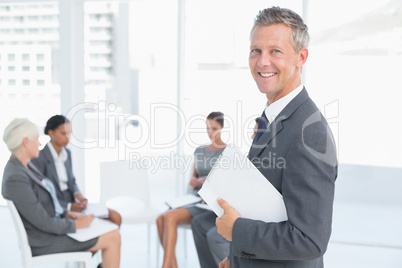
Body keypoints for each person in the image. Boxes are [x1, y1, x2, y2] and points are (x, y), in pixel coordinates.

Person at [216, 6, 338, 268]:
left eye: (276, 52)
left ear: (301, 57)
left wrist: (236, 232)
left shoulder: (310, 133)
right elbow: (262, 204)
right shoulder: (273, 116)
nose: (262, 62)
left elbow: (310, 240)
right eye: (256, 51)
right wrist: (235, 255)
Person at [1, 118, 121, 268]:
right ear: (25, 142)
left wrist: (66, 214)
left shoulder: (24, 167)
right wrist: (75, 224)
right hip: (44, 240)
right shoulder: (16, 177)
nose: (39, 144)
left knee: (111, 226)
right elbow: (42, 221)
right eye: (37, 140)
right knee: (113, 237)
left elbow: (42, 205)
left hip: (50, 230)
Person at [156, 111, 226, 268]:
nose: (210, 132)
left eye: (214, 128)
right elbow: (193, 178)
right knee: (160, 218)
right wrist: (195, 181)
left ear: (222, 127)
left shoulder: (227, 152)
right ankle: (171, 265)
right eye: (207, 128)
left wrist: (206, 181)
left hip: (210, 204)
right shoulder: (200, 151)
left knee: (168, 217)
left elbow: (225, 182)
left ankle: (166, 265)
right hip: (195, 199)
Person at [191, 116, 261, 267]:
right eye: (208, 128)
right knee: (197, 223)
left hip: (240, 211)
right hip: (214, 203)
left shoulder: (233, 153)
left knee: (213, 235)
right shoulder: (249, 156)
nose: (251, 136)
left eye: (257, 133)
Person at [31, 115, 121, 227]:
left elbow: (72, 181)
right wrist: (69, 207)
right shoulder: (39, 157)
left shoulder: (67, 154)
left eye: (70, 133)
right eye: (64, 133)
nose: (68, 137)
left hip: (73, 202)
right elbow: (43, 196)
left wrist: (78, 195)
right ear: (51, 133)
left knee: (115, 217)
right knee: (97, 225)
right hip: (58, 208)